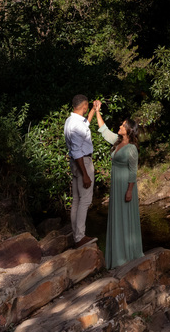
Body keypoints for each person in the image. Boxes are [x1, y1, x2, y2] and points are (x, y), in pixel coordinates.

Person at [94, 101, 143, 268]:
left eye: (123, 125)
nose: (120, 126)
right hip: (116, 186)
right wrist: (97, 111)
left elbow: (133, 171)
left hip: (125, 187)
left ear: (129, 130)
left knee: (125, 218)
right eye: (121, 124)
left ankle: (128, 256)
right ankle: (117, 257)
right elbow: (104, 131)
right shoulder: (117, 141)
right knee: (117, 217)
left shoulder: (131, 148)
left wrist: (129, 191)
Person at [63, 94, 96, 247]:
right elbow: (77, 152)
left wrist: (94, 111)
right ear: (84, 105)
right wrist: (85, 175)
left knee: (76, 200)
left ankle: (77, 235)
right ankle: (80, 237)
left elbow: (85, 126)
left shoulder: (71, 121)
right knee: (85, 201)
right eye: (88, 106)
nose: (87, 108)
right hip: (83, 162)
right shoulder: (76, 125)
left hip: (75, 163)